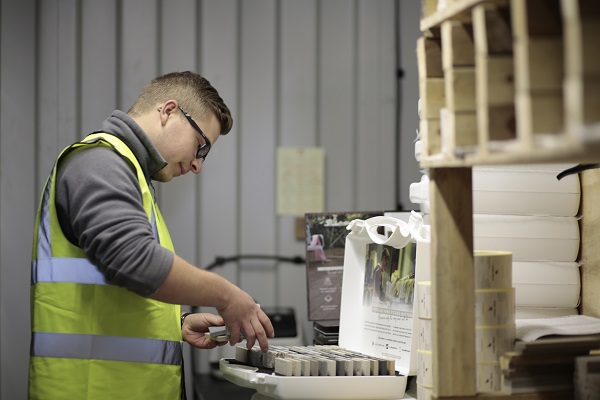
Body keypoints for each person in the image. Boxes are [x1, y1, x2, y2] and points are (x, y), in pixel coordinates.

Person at [29, 71, 275, 400]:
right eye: (200, 146)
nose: (198, 165)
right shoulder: (100, 164)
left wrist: (178, 322)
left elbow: (113, 293)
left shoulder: (131, 176)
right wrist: (229, 297)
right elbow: (136, 262)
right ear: (169, 110)